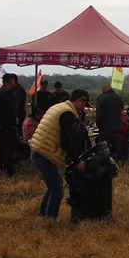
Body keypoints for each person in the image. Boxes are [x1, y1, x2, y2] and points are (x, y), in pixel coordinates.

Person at [30, 89, 91, 219]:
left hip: (38, 149)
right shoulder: (67, 113)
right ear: (80, 100)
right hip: (44, 153)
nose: (83, 109)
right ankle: (49, 220)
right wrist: (77, 161)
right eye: (84, 105)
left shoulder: (60, 106)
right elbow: (66, 141)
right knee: (57, 191)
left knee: (53, 185)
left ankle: (43, 215)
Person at [0, 73, 18, 177]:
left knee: (3, 147)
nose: (14, 84)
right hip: (6, 126)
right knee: (8, 148)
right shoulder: (6, 93)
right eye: (13, 82)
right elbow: (9, 111)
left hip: (0, 125)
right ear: (9, 82)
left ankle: (1, 166)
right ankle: (10, 171)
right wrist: (12, 124)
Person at [96, 84, 124, 160]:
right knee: (116, 144)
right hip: (117, 126)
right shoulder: (119, 97)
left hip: (105, 127)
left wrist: (98, 124)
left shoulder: (101, 98)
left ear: (105, 90)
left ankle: (106, 161)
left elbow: (99, 114)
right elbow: (121, 109)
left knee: (105, 146)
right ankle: (118, 160)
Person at [11, 74, 27, 138]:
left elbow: (18, 103)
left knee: (18, 130)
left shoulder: (20, 90)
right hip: (17, 113)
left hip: (19, 113)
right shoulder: (14, 89)